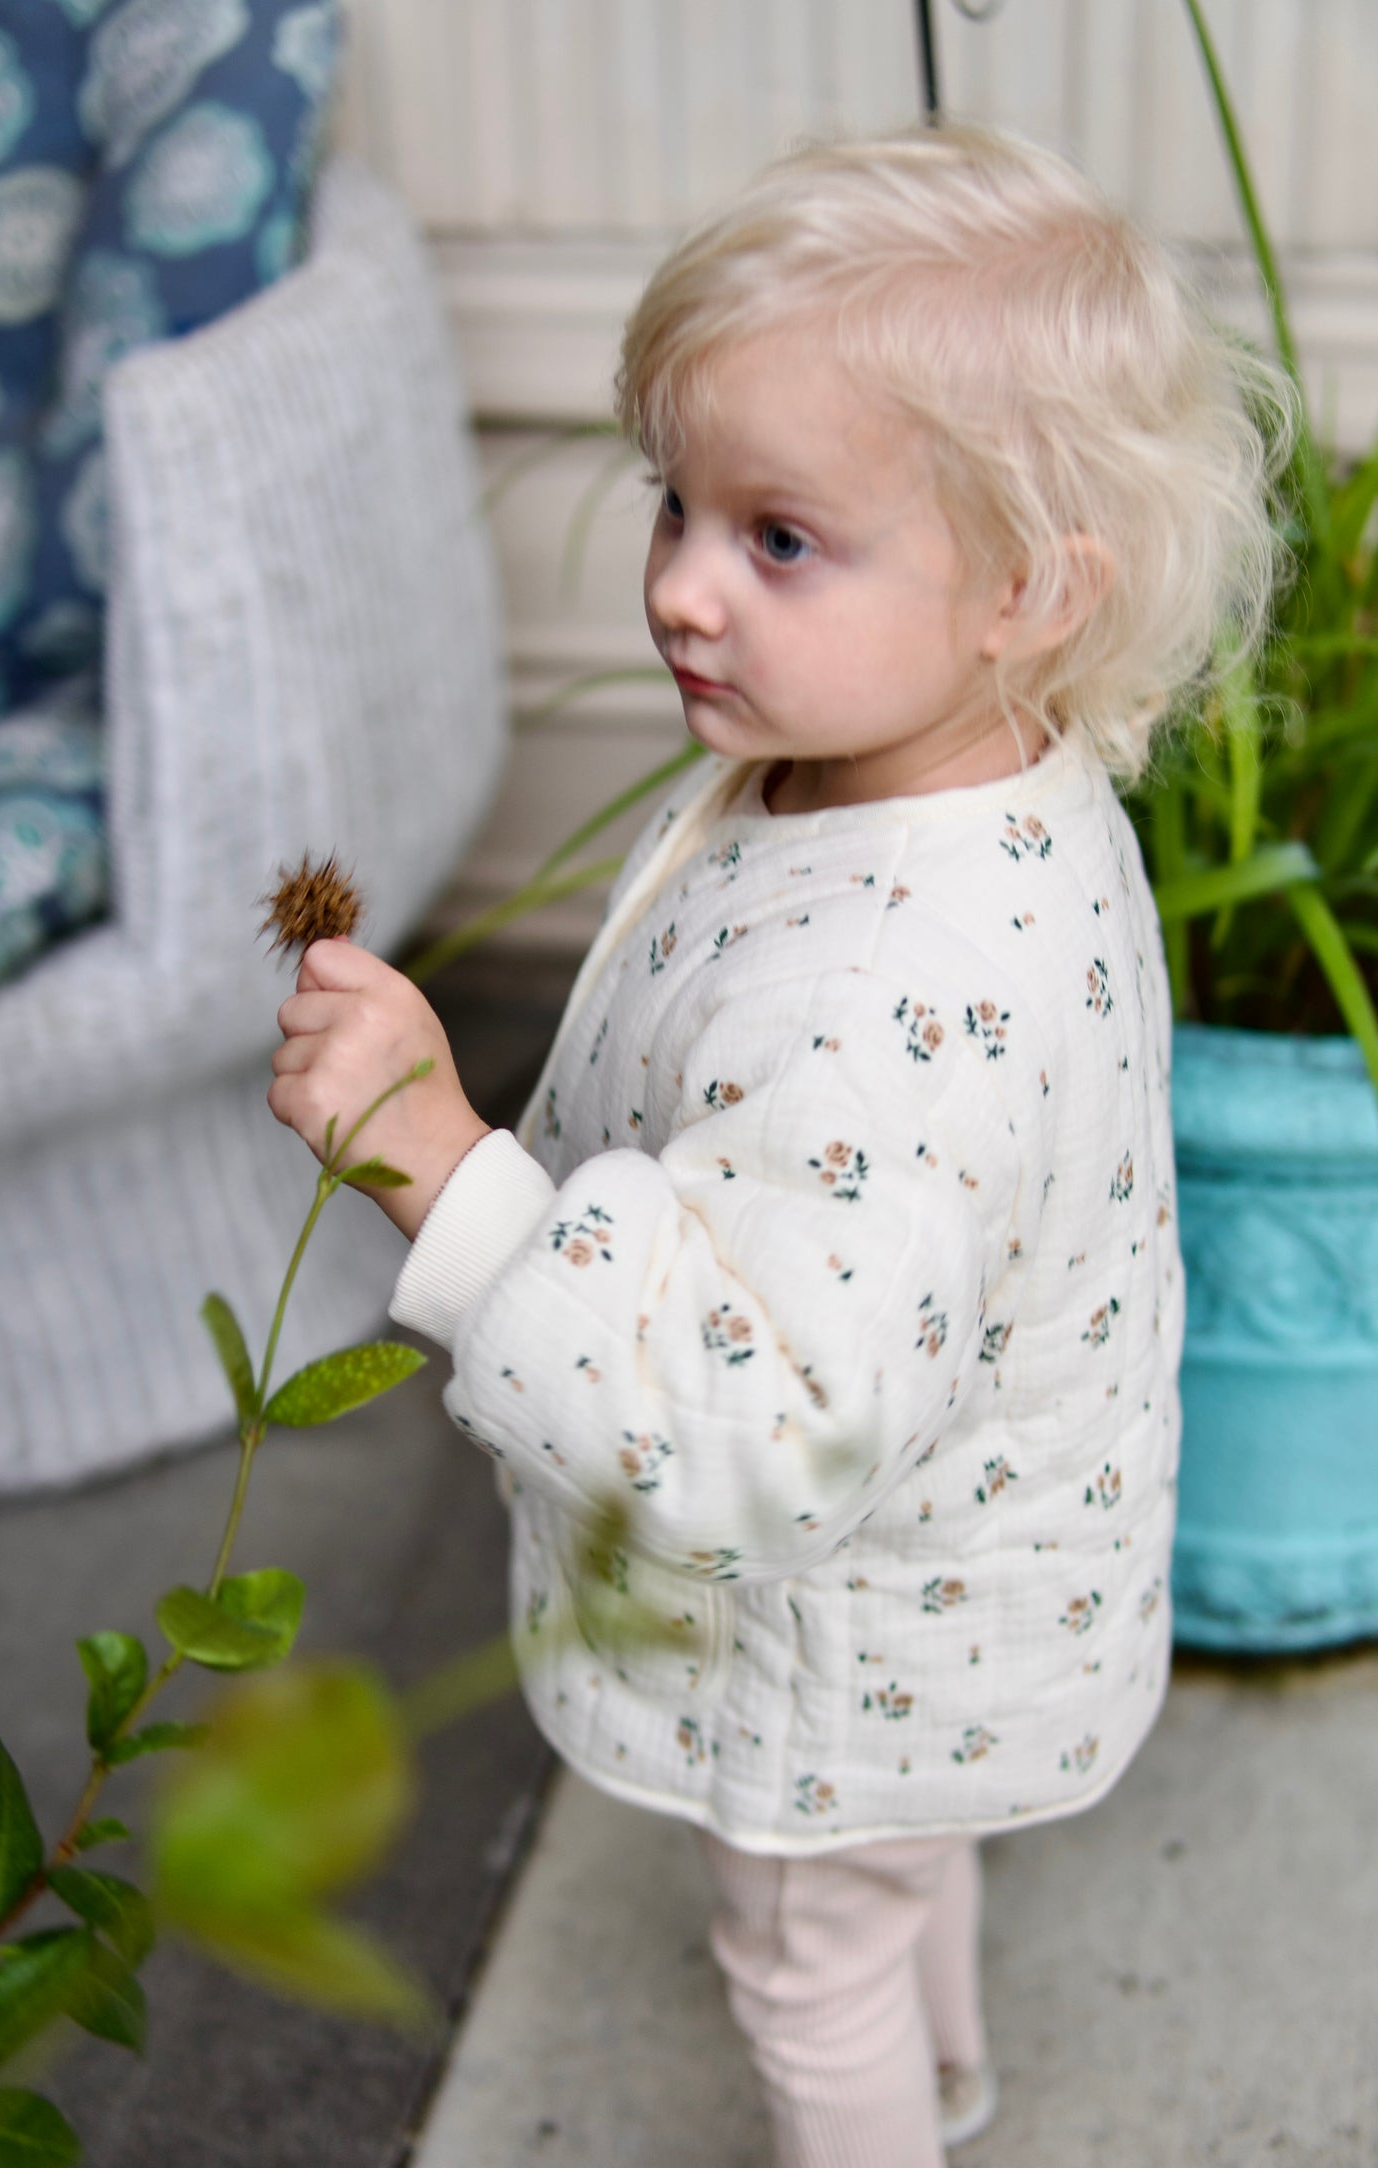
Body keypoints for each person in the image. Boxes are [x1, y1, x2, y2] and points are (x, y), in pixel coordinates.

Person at [268, 123, 1290, 2167]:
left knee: (805, 1947)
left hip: (850, 1634)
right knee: (901, 1875)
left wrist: (443, 1169)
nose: (678, 583)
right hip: (961, 1609)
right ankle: (957, 2078)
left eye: (780, 538)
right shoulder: (966, 760)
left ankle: (895, 2117)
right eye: (676, 503)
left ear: (1025, 589)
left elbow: (759, 1425)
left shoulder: (888, 995)